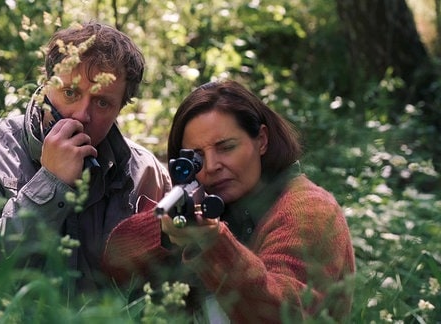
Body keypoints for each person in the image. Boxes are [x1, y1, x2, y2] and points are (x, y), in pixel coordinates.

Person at [0, 22, 171, 294]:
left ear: (120, 108)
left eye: (102, 103)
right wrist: (50, 184)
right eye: (70, 93)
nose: (81, 115)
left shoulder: (145, 172)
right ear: (46, 85)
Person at [102, 80, 356, 322]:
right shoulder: (215, 202)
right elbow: (116, 259)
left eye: (226, 147)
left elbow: (284, 314)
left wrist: (214, 244)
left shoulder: (307, 208)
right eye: (197, 157)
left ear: (262, 140)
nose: (211, 166)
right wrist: (167, 230)